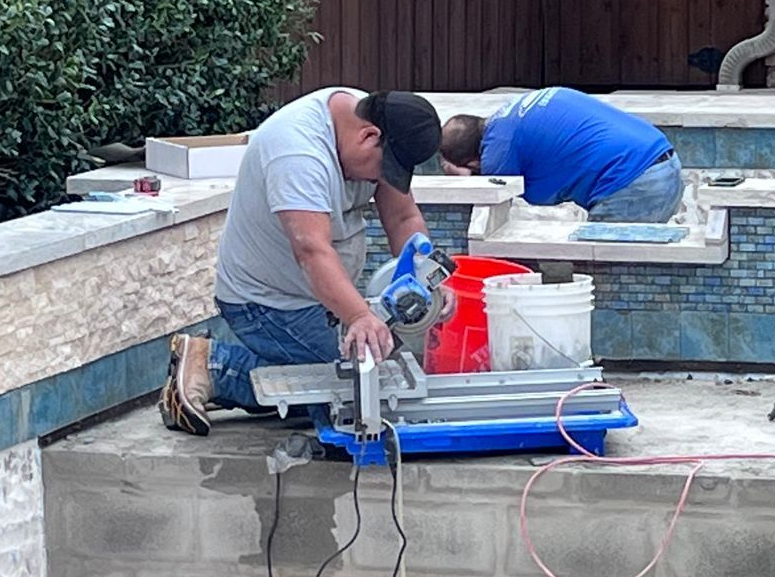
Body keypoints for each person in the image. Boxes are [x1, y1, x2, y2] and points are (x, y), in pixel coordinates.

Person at [161, 88, 445, 436]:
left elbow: (403, 219)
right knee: (354, 396)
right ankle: (214, 366)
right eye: (382, 170)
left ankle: (245, 368)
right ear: (369, 137)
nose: (379, 180)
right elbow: (311, 250)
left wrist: (428, 279)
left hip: (317, 299)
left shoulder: (376, 121)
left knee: (376, 381)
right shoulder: (297, 152)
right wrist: (358, 316)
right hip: (265, 303)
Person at [438, 88, 682, 222]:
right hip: (664, 160)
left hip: (633, 183)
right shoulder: (512, 110)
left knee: (602, 278)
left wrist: (465, 179)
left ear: (473, 161)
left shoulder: (498, 151)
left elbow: (492, 206)